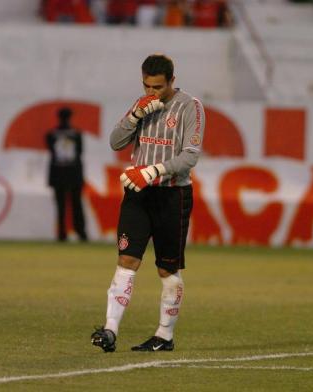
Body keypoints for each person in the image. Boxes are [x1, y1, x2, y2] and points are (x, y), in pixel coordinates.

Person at [91, 54, 205, 352]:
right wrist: (133, 116)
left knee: (167, 270)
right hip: (138, 195)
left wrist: (152, 171)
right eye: (146, 86)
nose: (151, 93)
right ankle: (110, 330)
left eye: (157, 87)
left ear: (172, 81)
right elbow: (116, 142)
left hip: (173, 196)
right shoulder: (141, 103)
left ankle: (164, 335)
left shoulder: (189, 107)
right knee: (127, 260)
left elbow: (190, 156)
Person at [45, 107, 88, 242]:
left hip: (58, 173)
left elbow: (52, 152)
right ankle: (81, 233)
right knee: (77, 205)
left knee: (60, 205)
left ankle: (62, 234)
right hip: (74, 173)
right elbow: (80, 152)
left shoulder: (51, 134)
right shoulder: (76, 134)